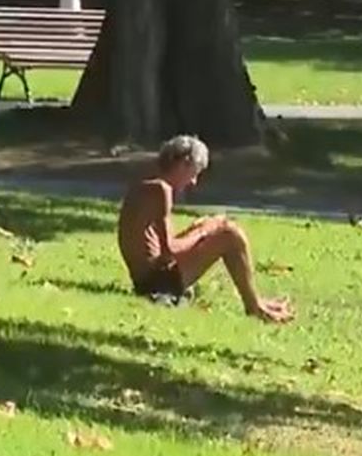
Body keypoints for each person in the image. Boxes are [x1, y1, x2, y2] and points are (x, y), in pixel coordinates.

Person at [117, 135, 294, 322]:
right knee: (230, 234)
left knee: (210, 225)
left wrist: (201, 228)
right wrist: (203, 232)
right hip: (157, 283)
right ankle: (254, 306)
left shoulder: (146, 180)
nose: (193, 181)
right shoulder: (162, 189)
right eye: (195, 172)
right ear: (184, 163)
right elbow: (168, 251)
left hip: (145, 278)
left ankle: (257, 300)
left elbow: (159, 246)